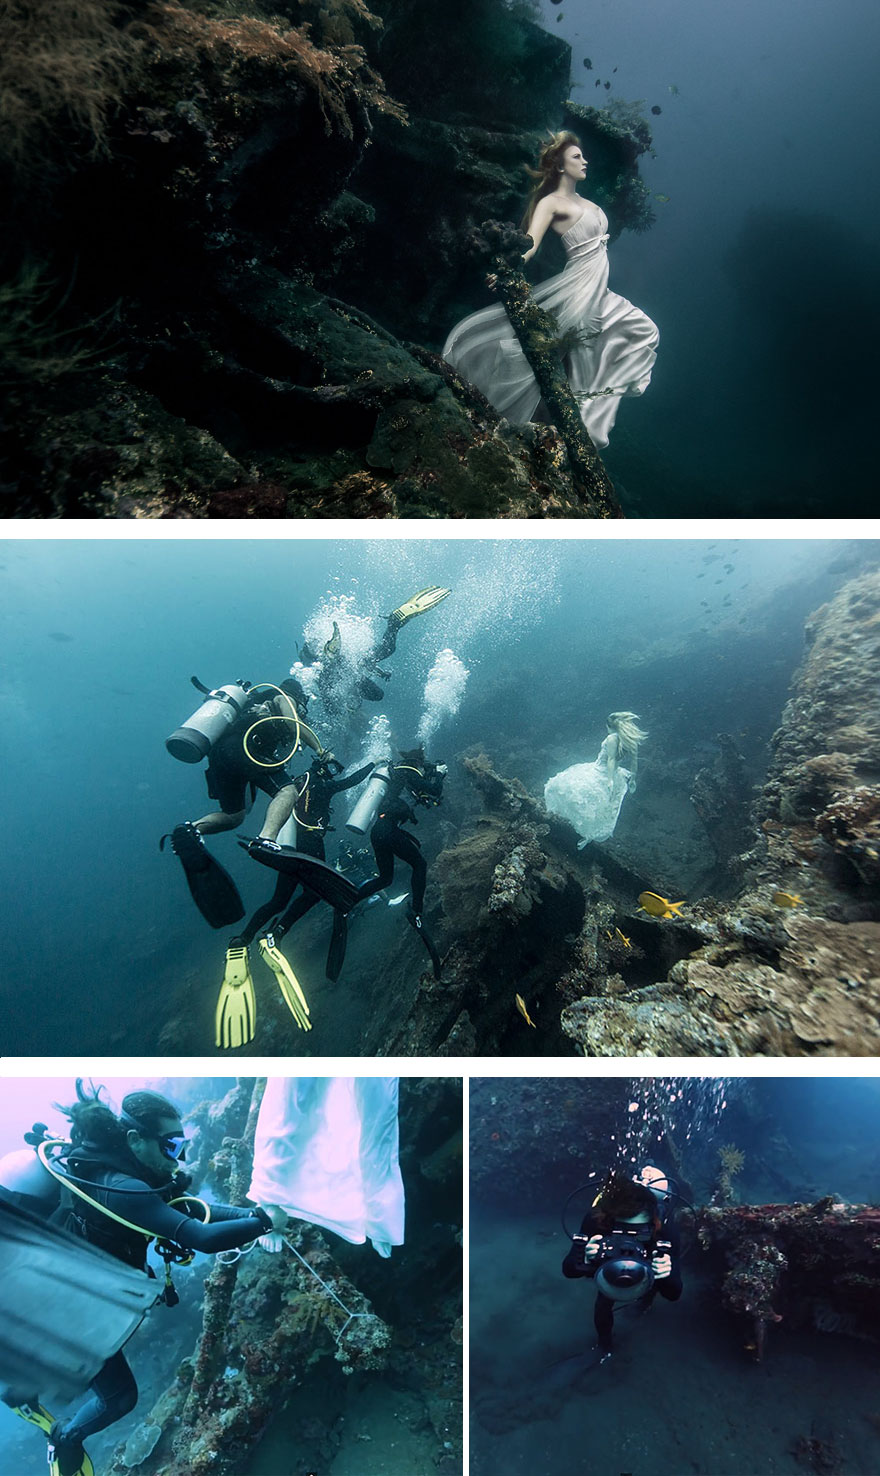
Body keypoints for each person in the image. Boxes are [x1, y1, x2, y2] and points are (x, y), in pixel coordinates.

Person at [1, 1083, 286, 1476]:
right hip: (63, 1304)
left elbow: (196, 1210)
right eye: (170, 1146)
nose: (179, 1158)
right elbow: (200, 1236)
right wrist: (266, 1221)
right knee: (120, 1398)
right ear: (135, 1139)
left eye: (181, 1145)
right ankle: (63, 1441)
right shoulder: (123, 1188)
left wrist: (255, 1216)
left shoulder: (126, 1169)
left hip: (69, 1283)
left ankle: (22, 1392)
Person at [442, 132, 659, 450]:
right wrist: (508, 267)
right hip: (579, 288)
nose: (584, 161)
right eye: (576, 157)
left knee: (643, 330)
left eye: (583, 156)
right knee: (574, 356)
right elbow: (529, 245)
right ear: (558, 165)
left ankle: (587, 421)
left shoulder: (590, 204)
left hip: (599, 289)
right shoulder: (550, 203)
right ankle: (571, 429)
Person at [214, 753, 377, 1048]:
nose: (332, 773)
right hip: (311, 844)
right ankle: (274, 935)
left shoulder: (298, 782)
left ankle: (242, 940)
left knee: (278, 899)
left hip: (289, 846)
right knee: (314, 893)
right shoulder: (323, 785)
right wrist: (374, 764)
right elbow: (351, 781)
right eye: (330, 768)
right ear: (323, 769)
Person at [162, 679, 329, 929]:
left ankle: (192, 829)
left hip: (220, 756)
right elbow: (293, 723)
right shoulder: (284, 696)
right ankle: (266, 839)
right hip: (244, 747)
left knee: (233, 814)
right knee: (287, 791)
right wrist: (321, 750)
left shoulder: (251, 705)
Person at [562, 1168, 682, 1362]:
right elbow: (568, 1270)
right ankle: (604, 1345)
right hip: (608, 1269)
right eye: (620, 1233)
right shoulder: (596, 1221)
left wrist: (667, 1273)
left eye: (638, 1233)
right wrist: (584, 1258)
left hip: (649, 1264)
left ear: (653, 1224)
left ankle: (644, 1303)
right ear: (607, 1221)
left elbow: (674, 1293)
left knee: (654, 1276)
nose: (627, 1243)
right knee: (604, 1299)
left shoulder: (665, 1229)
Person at [355, 749, 446, 978]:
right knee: (420, 865)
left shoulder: (398, 776)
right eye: (423, 762)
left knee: (385, 878)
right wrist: (440, 774)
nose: (424, 766)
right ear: (416, 761)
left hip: (378, 831)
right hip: (388, 831)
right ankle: (416, 911)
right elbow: (433, 789)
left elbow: (424, 797)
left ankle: (351, 898)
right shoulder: (409, 772)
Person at [543, 711, 647, 848]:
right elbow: (634, 762)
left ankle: (563, 821)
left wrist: (609, 779)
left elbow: (610, 759)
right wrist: (632, 779)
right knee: (600, 806)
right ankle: (585, 832)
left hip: (601, 771)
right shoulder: (629, 739)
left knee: (566, 788)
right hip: (616, 775)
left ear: (609, 726)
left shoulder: (612, 738)